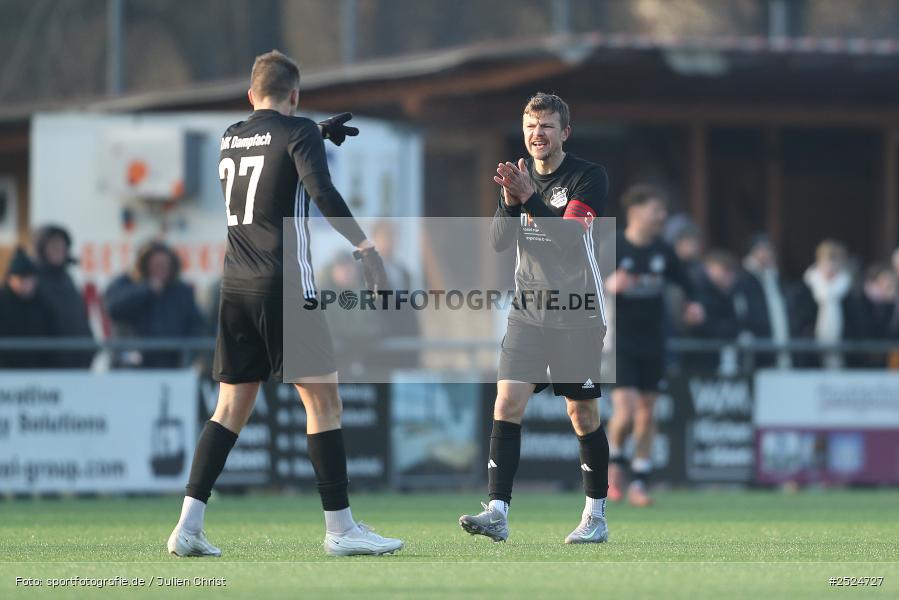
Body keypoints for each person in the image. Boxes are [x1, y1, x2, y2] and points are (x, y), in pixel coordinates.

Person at [167, 50, 402, 558]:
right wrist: (365, 247)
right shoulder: (298, 132)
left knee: (230, 406)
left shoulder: (231, 136)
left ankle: (187, 526)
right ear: (295, 94)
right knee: (324, 403)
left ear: (251, 95)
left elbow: (267, 142)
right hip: (285, 284)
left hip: (235, 286)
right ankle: (341, 530)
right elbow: (323, 192)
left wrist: (312, 130)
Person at [458, 93, 612, 544]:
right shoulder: (519, 176)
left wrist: (528, 197)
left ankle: (595, 516)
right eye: (530, 126)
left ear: (565, 133)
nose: (536, 134)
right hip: (528, 310)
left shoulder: (588, 176)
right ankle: (497, 511)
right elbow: (499, 243)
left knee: (581, 413)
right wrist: (510, 201)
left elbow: (567, 239)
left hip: (577, 311)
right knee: (506, 402)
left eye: (546, 126)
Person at [604, 185, 705, 507]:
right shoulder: (614, 245)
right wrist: (608, 285)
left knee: (648, 413)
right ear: (635, 212)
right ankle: (614, 464)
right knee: (626, 412)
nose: (662, 216)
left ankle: (640, 482)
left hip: (654, 342)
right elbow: (583, 283)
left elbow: (687, 283)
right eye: (656, 210)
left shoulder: (663, 250)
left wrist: (693, 305)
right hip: (620, 341)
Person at [104, 241, 205, 368]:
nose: (162, 269)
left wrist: (188, 356)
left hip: (171, 366)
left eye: (165, 265)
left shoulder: (181, 291)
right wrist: (146, 290)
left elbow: (196, 325)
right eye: (157, 265)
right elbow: (113, 308)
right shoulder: (124, 283)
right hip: (130, 365)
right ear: (144, 265)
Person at [793, 240, 867, 368]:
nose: (830, 266)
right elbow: (800, 321)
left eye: (834, 261)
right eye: (826, 261)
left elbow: (857, 324)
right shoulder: (806, 289)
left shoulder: (848, 290)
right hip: (811, 356)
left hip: (844, 356)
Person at [33, 224, 95, 368]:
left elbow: (79, 317)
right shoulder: (34, 281)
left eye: (62, 247)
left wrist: (90, 346)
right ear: (42, 249)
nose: (59, 251)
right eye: (53, 247)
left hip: (78, 363)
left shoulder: (67, 279)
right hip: (49, 366)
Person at [0, 248, 59, 368]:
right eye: (20, 279)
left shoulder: (44, 305)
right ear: (10, 279)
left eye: (28, 278)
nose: (24, 283)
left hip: (38, 370)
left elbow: (54, 337)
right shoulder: (3, 304)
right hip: (6, 371)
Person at [740, 233, 793, 368]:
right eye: (760, 249)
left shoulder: (776, 278)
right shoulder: (744, 279)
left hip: (780, 343)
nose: (765, 254)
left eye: (768, 249)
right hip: (757, 348)